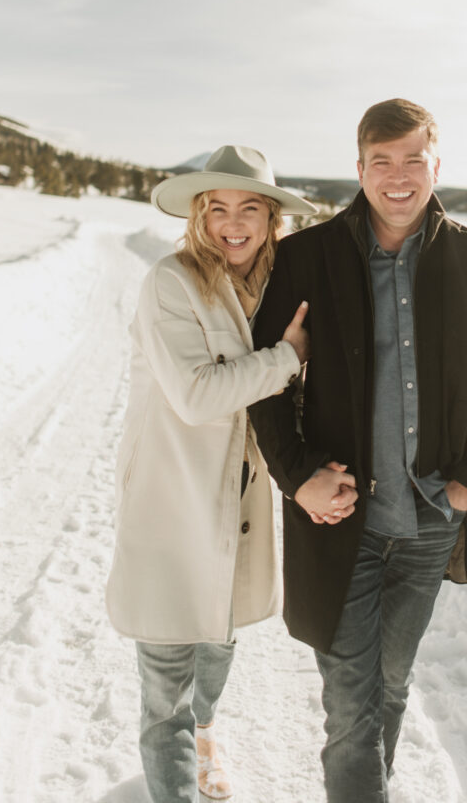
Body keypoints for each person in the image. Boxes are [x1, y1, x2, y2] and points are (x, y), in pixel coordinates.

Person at [249, 99, 467, 802]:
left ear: (437, 164)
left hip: (432, 520)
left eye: (413, 160)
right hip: (341, 521)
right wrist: (297, 478)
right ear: (359, 169)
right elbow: (266, 382)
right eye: (382, 162)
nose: (397, 177)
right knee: (353, 707)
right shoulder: (306, 256)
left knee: (391, 685)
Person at [106, 145, 345, 803]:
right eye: (218, 210)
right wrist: (286, 357)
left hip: (238, 507)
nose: (232, 224)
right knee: (164, 685)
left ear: (272, 219)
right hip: (170, 499)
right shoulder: (171, 283)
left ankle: (204, 727)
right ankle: (179, 764)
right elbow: (195, 394)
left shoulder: (275, 291)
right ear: (199, 217)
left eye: (250, 209)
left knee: (218, 635)